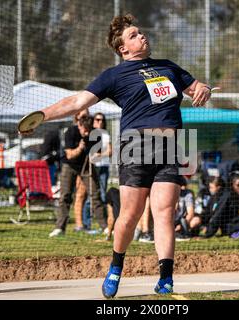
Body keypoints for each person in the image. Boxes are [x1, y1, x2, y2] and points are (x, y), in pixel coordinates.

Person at [21, 14, 213, 297]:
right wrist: (43, 115)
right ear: (123, 48)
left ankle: (166, 279)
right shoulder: (114, 76)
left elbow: (197, 88)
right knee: (130, 214)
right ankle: (115, 267)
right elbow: (77, 101)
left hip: (172, 146)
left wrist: (205, 89)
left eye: (141, 32)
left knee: (164, 213)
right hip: (135, 144)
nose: (142, 36)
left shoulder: (168, 67)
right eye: (134, 35)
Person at [48, 116, 106, 237]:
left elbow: (98, 154)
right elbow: (69, 155)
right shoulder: (71, 132)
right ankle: (60, 228)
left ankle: (105, 227)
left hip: (86, 166)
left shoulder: (96, 134)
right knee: (65, 196)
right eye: (84, 130)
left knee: (95, 195)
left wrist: (94, 156)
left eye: (89, 130)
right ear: (79, 125)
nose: (86, 132)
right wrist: (80, 147)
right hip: (70, 166)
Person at [82, 112, 112, 230]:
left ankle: (103, 224)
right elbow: (89, 152)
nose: (99, 122)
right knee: (92, 195)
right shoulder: (91, 133)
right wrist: (98, 155)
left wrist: (99, 154)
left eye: (102, 120)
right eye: (97, 120)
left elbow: (109, 152)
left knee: (103, 195)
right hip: (93, 167)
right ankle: (86, 223)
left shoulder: (105, 134)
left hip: (104, 166)